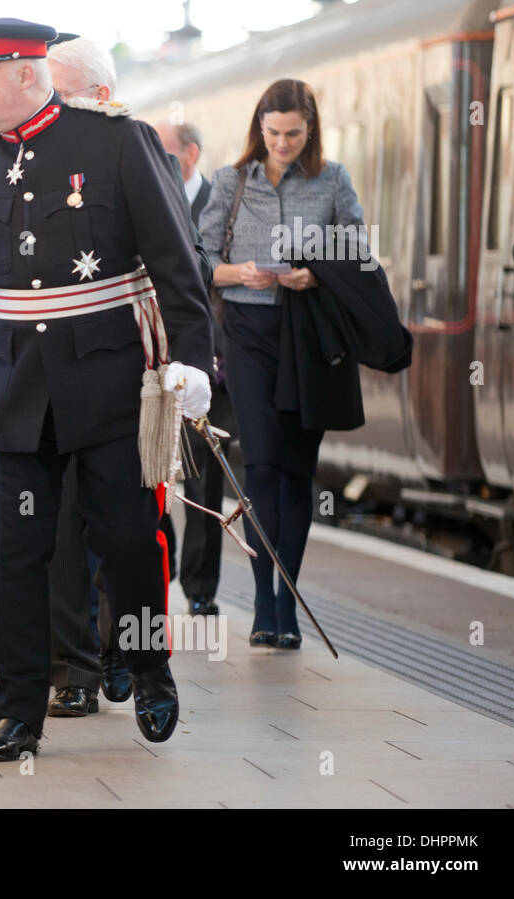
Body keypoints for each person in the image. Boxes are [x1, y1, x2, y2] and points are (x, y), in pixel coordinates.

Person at [0, 19, 214, 761]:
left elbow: (175, 262)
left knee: (125, 538)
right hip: (12, 391)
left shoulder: (117, 143)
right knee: (17, 552)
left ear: (25, 72)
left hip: (108, 380)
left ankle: (148, 668)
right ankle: (18, 709)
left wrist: (193, 360)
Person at [198, 78, 408, 650]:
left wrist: (313, 273)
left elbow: (356, 252)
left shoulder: (333, 179)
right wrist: (244, 273)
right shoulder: (231, 182)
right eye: (273, 133)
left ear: (309, 129)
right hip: (247, 333)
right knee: (261, 464)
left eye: (293, 133)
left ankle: (286, 604)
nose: (283, 143)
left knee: (296, 470)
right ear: (258, 129)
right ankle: (264, 600)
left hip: (309, 335)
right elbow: (199, 260)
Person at [41, 34, 123, 718]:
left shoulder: (131, 152)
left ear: (100, 96)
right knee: (62, 528)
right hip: (44, 381)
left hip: (122, 376)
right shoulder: (23, 161)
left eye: (60, 95)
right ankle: (74, 665)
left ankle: (129, 648)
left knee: (124, 528)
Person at [154, 119, 231, 617]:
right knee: (155, 475)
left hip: (208, 361)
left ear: (191, 154)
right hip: (153, 361)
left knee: (205, 480)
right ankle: (163, 567)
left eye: (163, 153)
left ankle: (201, 589)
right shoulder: (146, 195)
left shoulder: (220, 201)